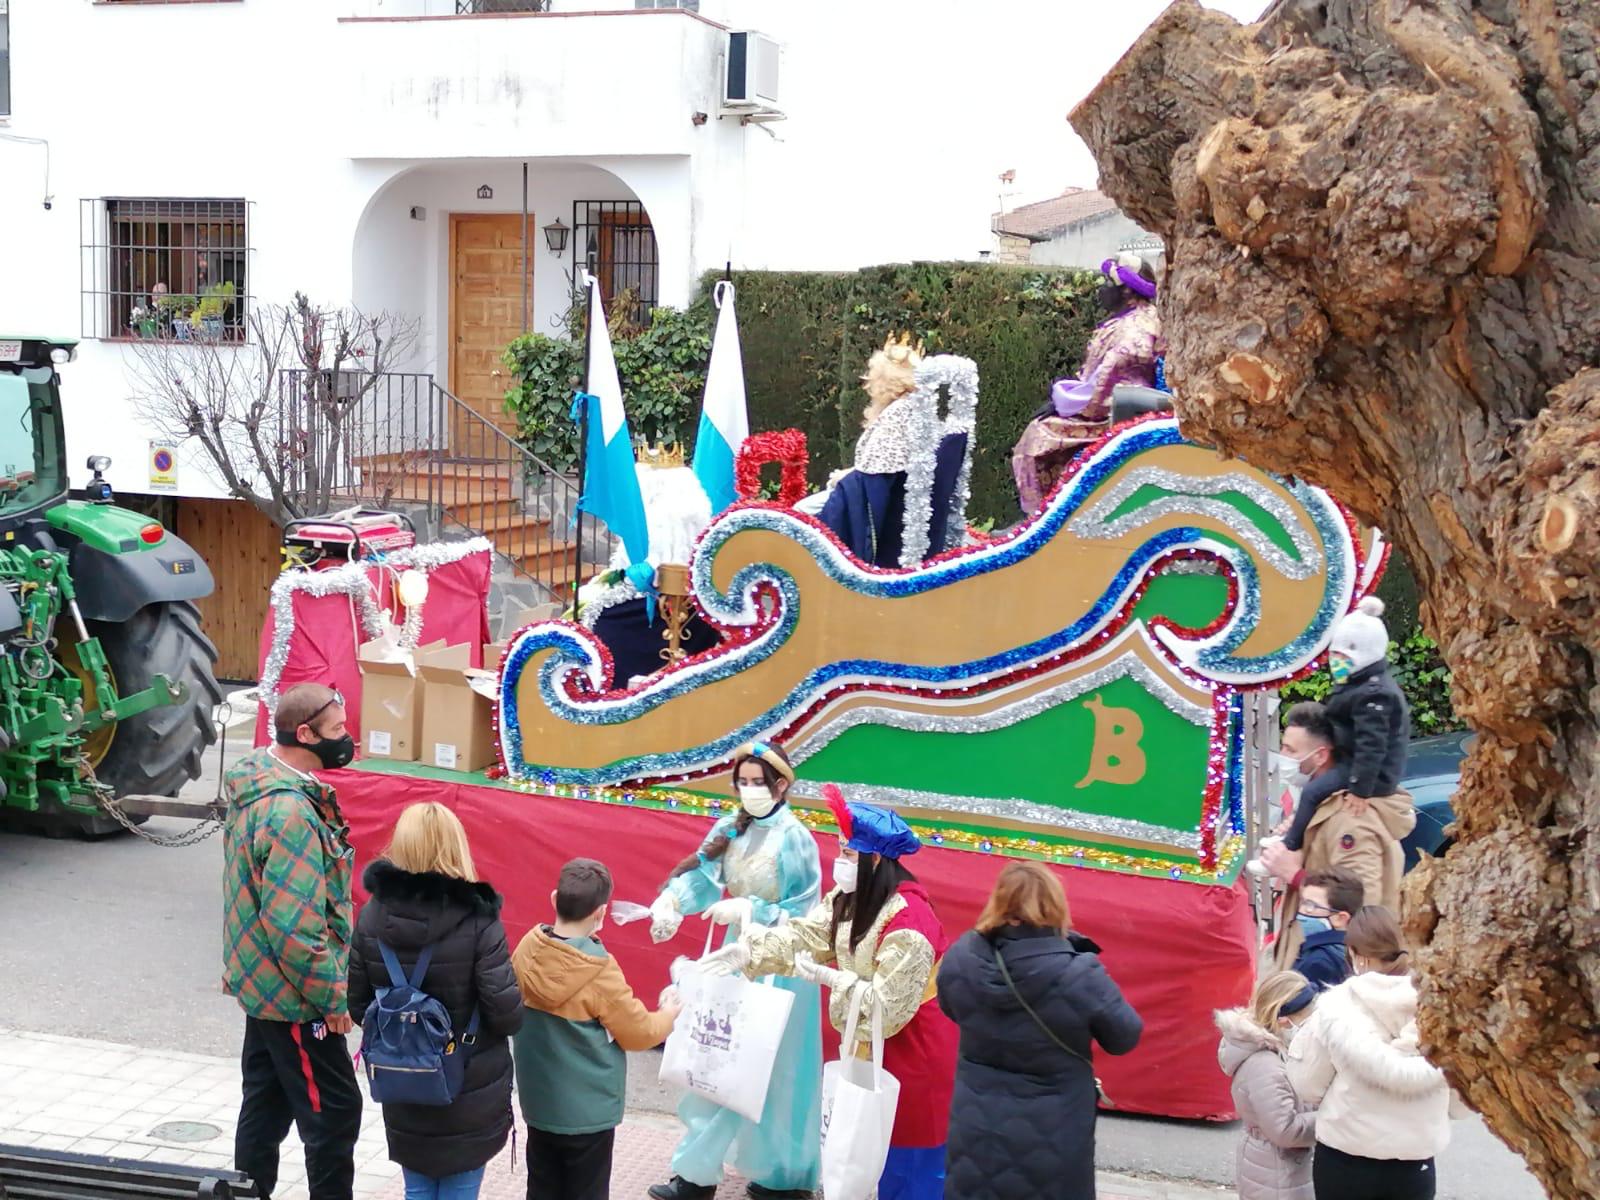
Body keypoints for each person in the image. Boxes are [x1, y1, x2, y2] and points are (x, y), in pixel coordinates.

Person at [709, 784, 960, 1200]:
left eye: (848, 853)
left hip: (915, 1049)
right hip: (869, 1044)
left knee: (909, 1163)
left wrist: (831, 980)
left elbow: (887, 1008)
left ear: (875, 859)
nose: (839, 861)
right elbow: (808, 934)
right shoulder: (850, 898)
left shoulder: (910, 921)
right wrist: (749, 951)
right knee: (864, 1150)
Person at [645, 741, 824, 1200]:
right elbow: (703, 877)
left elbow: (807, 910)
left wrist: (751, 909)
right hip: (732, 956)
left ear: (780, 786)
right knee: (714, 1056)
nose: (749, 790)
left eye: (757, 782)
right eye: (742, 782)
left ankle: (782, 1177)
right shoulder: (731, 827)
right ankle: (695, 1174)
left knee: (777, 1068)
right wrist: (672, 901)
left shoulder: (795, 838)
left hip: (781, 960)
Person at [223, 683, 362, 1200]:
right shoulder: (291, 815)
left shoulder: (257, 782)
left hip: (262, 986)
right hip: (295, 998)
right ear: (304, 734)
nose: (347, 738)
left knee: (265, 1106)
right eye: (337, 730)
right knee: (334, 1113)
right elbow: (296, 929)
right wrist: (333, 999)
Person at [346, 802, 523, 1200]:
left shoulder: (373, 916)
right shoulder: (479, 919)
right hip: (468, 1086)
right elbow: (506, 1015)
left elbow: (358, 1005)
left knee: (417, 1188)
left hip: (403, 1080)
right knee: (461, 1189)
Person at [936, 861, 1143, 1200]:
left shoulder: (962, 957)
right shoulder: (1078, 973)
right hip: (1054, 1133)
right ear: (1055, 905)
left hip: (976, 1128)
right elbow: (1124, 1036)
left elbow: (950, 1007)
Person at [512, 858, 682, 1200]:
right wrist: (669, 1014)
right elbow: (639, 1033)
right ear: (601, 913)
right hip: (587, 1111)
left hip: (540, 1104)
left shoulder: (527, 950)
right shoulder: (598, 970)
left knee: (542, 1186)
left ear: (554, 898)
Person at [1287, 907, 1464, 1200]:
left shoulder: (1336, 1008)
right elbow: (1460, 1104)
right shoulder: (1442, 1010)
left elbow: (1308, 1085)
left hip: (1345, 1155)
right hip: (1414, 1161)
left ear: (1358, 955)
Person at [1262, 703, 1415, 972]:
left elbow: (1364, 905)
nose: (1282, 757)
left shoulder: (1351, 818)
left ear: (1320, 755)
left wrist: (1294, 874)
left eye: (1290, 750)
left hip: (1335, 970)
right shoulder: (1324, 804)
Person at [1011, 253, 1164, 514]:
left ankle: (1039, 519)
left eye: (1107, 282)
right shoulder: (1132, 318)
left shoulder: (1135, 328)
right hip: (1112, 408)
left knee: (1037, 437)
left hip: (1115, 416)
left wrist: (1063, 404)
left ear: (1127, 290)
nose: (1101, 289)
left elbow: (1105, 384)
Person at [1279, 597, 1411, 855]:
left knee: (1312, 793)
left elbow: (1372, 746)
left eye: (1343, 655)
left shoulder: (1374, 694)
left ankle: (1291, 845)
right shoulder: (1357, 683)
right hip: (1353, 761)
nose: (1336, 661)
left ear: (1363, 655)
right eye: (1334, 654)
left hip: (1369, 774)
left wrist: (1360, 789)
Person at [1215, 971, 1319, 1200]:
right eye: (1306, 1020)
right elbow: (1284, 1130)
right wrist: (1332, 1118)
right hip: (1277, 1174)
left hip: (1276, 1168)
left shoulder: (1277, 1051)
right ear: (1283, 1020)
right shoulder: (1265, 1066)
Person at [1292, 869, 1363, 993]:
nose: (1301, 911)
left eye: (1311, 905)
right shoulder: (1354, 949)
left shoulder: (1318, 962)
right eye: (1302, 902)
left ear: (1340, 918)